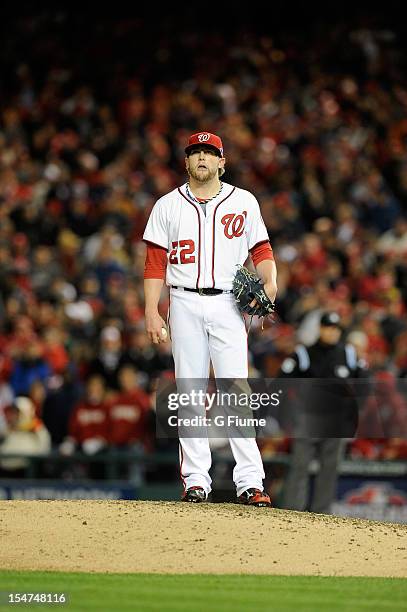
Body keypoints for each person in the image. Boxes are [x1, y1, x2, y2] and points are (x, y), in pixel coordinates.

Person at [143, 131, 277, 505]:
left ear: (222, 162)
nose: (201, 157)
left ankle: (250, 482)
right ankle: (196, 481)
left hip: (228, 304)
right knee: (189, 390)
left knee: (237, 390)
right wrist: (152, 311)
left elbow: (262, 249)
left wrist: (270, 280)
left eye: (209, 152)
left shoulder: (244, 201)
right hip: (183, 301)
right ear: (186, 162)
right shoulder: (166, 205)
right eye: (195, 152)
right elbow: (154, 265)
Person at [278, 311, 368, 514]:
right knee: (300, 466)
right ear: (321, 329)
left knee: (330, 469)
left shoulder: (349, 354)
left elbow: (365, 383)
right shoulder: (305, 353)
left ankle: (322, 513)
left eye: (335, 329)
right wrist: (289, 413)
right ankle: (292, 512)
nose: (332, 332)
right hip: (308, 417)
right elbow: (281, 382)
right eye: (328, 328)